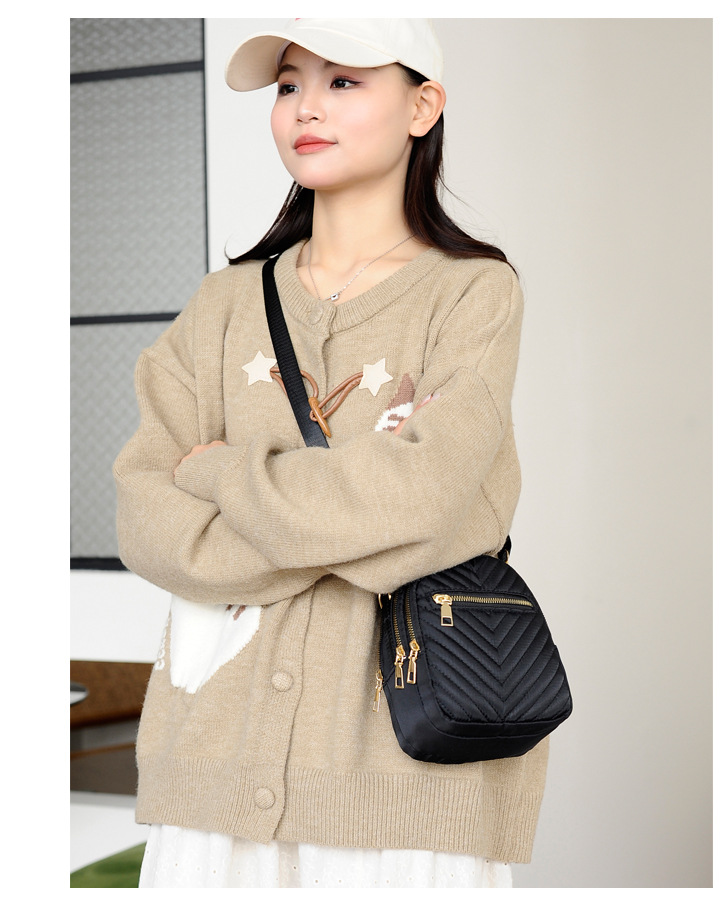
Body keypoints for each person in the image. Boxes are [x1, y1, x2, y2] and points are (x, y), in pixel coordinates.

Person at [114, 18, 549, 889]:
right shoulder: (222, 305)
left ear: (422, 106)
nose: (304, 107)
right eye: (288, 86)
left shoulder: (474, 293)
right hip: (211, 766)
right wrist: (356, 522)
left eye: (342, 80)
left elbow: (425, 499)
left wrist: (219, 473)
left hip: (406, 778)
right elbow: (146, 517)